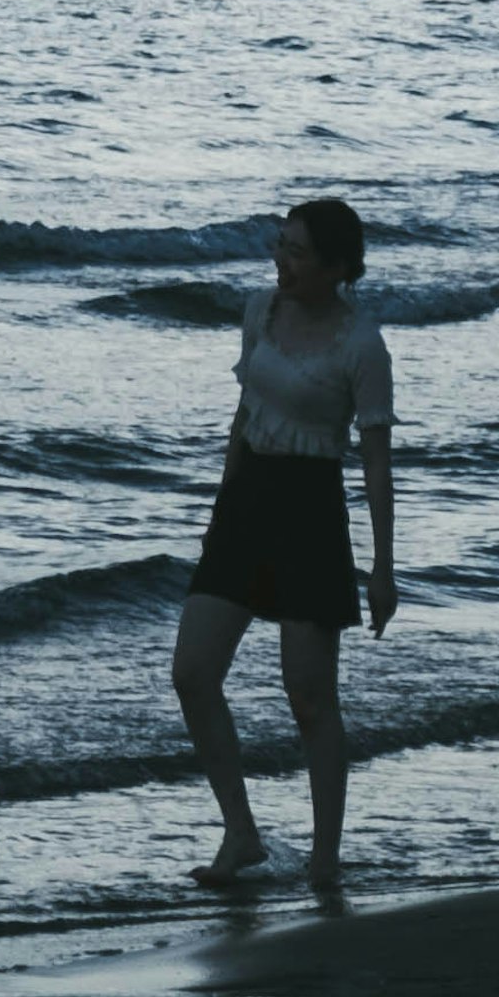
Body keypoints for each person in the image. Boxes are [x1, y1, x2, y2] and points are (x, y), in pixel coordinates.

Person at [171, 192, 396, 888]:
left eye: (297, 252)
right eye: (281, 244)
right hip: (247, 503)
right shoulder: (259, 312)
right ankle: (241, 833)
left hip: (310, 511)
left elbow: (377, 463)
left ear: (336, 267)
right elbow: (242, 415)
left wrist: (383, 567)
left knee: (309, 697)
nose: (281, 260)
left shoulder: (361, 344)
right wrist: (220, 507)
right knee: (193, 671)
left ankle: (326, 861)